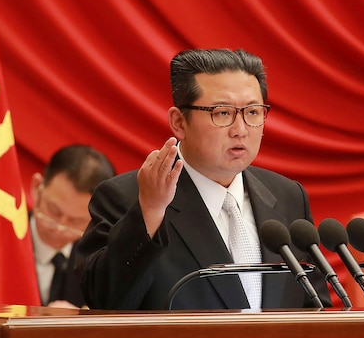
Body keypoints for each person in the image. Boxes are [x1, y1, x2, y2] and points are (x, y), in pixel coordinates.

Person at [71, 48, 332, 311]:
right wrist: (149, 213)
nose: (240, 130)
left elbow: (314, 306)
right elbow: (105, 302)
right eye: (222, 113)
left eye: (252, 112)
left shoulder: (288, 196)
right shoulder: (128, 197)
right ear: (179, 122)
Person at [30, 144, 116, 308]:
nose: (59, 228)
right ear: (36, 188)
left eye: (76, 222)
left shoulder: (100, 263)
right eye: (54, 211)